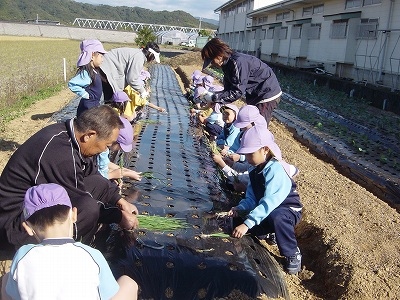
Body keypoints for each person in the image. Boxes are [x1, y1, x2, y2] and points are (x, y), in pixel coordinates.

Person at [0, 105, 139, 253]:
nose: (105, 150)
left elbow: (94, 175)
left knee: (98, 183)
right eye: (106, 145)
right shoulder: (60, 153)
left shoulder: (73, 138)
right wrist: (118, 216)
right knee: (88, 209)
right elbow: (80, 198)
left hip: (37, 205)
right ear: (89, 135)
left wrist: (120, 201)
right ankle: (66, 254)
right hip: (16, 224)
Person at [1, 183, 138, 300]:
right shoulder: (92, 255)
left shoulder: (22, 255)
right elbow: (108, 293)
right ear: (73, 215)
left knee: (7, 279)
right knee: (129, 283)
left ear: (28, 228)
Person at [226, 125, 303, 274]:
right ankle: (270, 233)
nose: (247, 158)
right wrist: (240, 208)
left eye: (250, 154)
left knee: (277, 217)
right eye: (246, 154)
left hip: (287, 210)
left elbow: (270, 202)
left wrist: (247, 224)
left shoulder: (275, 170)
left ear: (265, 149)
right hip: (267, 209)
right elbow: (251, 198)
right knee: (244, 224)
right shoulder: (255, 169)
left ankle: (292, 253)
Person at [201, 37, 282, 125]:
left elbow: (237, 92)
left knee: (257, 125)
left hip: (266, 93)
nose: (212, 64)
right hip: (254, 93)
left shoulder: (237, 62)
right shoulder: (227, 65)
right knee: (249, 123)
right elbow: (228, 90)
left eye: (212, 61)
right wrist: (215, 100)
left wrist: (213, 97)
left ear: (219, 55)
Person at [68, 39, 108, 117]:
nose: (102, 60)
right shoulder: (87, 73)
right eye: (101, 56)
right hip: (88, 108)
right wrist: (85, 94)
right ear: (92, 56)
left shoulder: (95, 71)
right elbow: (72, 84)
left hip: (93, 106)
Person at [97, 116, 142, 182]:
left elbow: (106, 163)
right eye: (120, 146)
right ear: (113, 140)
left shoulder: (105, 149)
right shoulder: (97, 151)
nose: (120, 149)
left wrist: (127, 171)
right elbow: (96, 175)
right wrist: (118, 174)